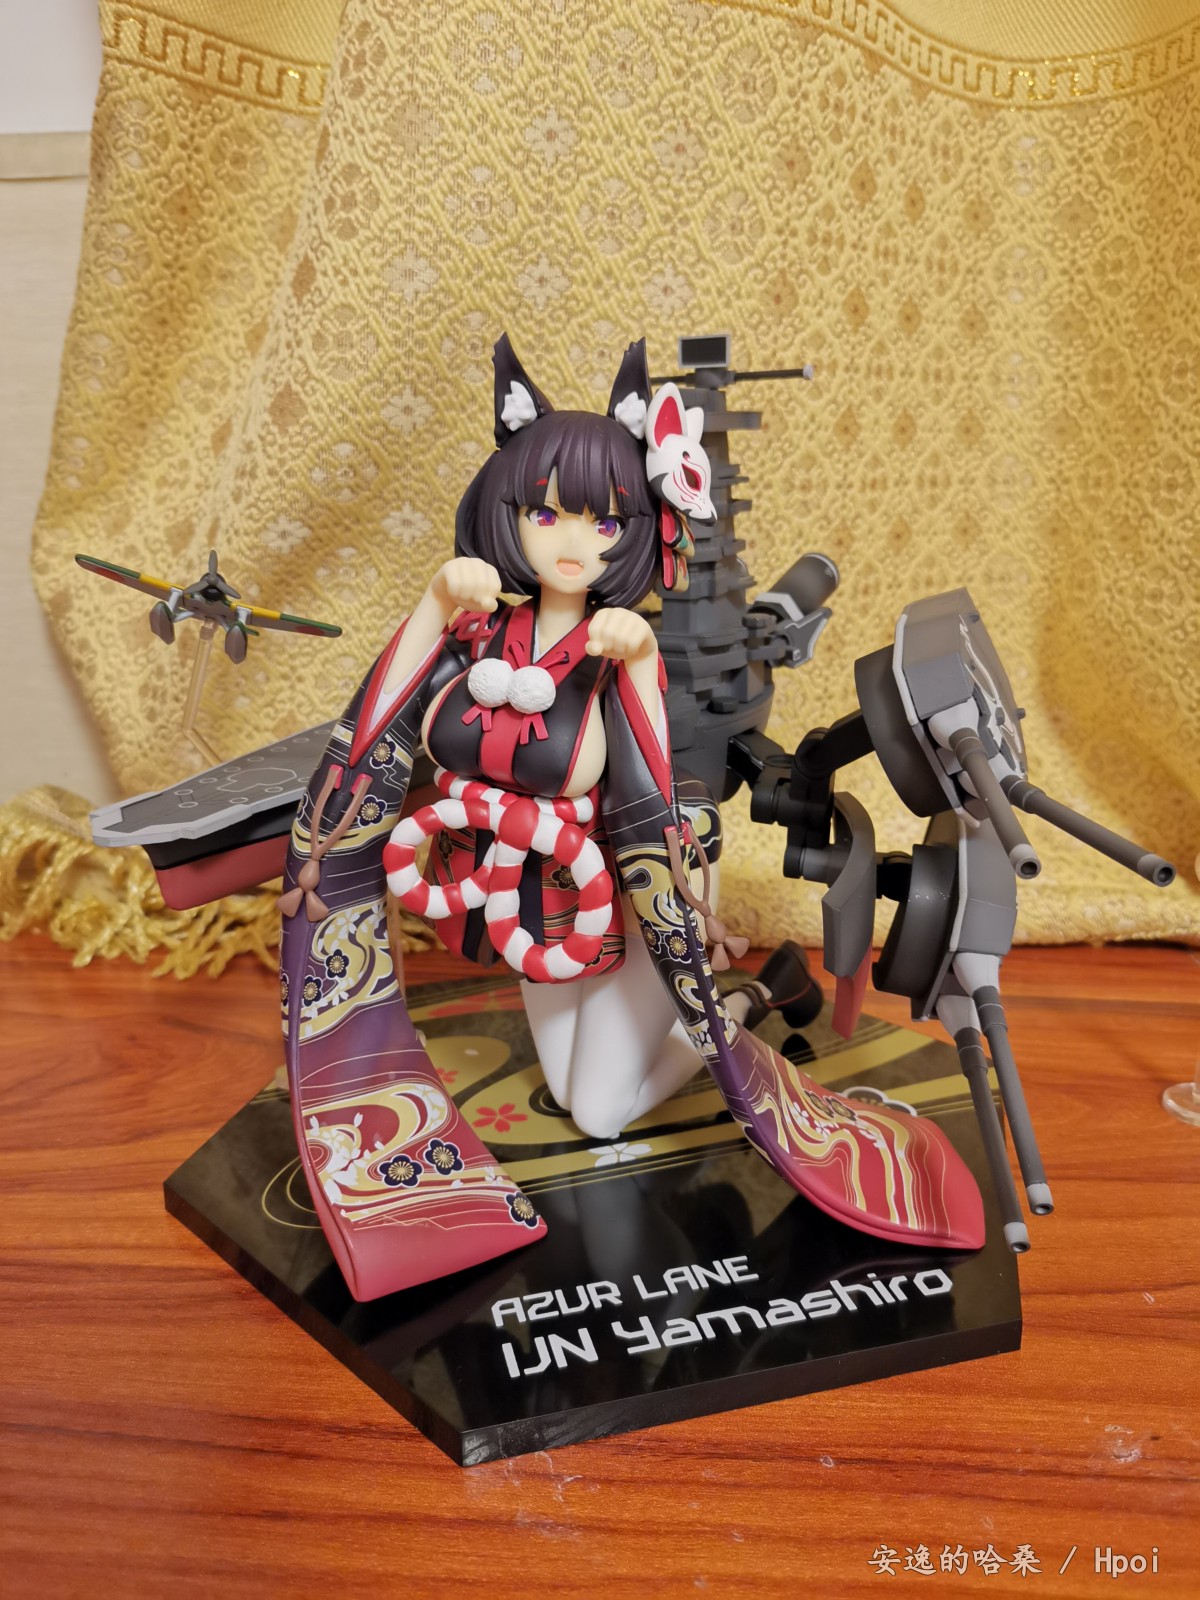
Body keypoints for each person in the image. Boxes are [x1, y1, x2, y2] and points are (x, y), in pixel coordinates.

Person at [279, 335, 985, 1302]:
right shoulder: (479, 630)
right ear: (506, 512)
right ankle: (759, 990)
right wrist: (432, 604)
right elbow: (376, 725)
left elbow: (650, 767)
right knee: (571, 1091)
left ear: (637, 529)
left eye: (605, 521)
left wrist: (643, 658)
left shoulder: (621, 645)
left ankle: (741, 1003)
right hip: (526, 902)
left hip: (628, 892)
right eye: (545, 513)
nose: (572, 541)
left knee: (601, 1114)